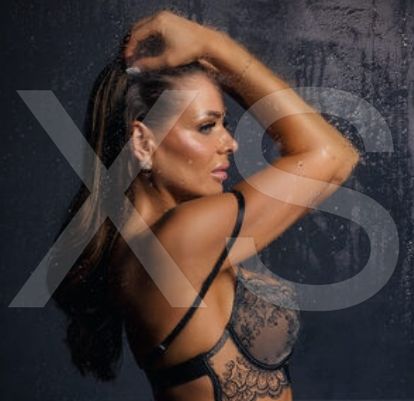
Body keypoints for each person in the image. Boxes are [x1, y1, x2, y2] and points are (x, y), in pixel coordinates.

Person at [50, 10, 360, 401]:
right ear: (143, 142)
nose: (230, 143)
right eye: (206, 126)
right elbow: (333, 155)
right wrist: (213, 45)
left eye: (224, 124)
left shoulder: (140, 246)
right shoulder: (177, 240)